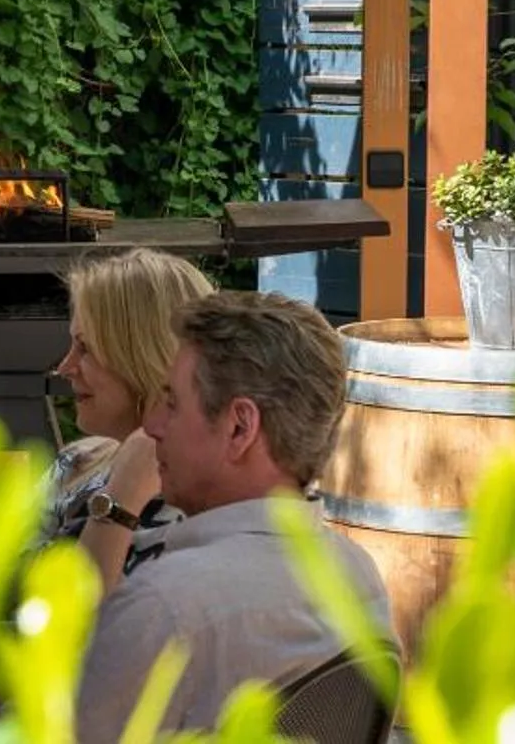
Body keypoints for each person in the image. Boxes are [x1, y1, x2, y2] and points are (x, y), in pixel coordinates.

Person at [74, 292, 393, 743]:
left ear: (240, 428)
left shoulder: (165, 607)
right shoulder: (359, 574)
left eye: (173, 402)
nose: (153, 427)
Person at [44, 248, 216, 591]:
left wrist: (121, 498)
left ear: (141, 355)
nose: (64, 368)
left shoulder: (190, 511)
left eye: (86, 348)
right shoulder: (81, 458)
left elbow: (100, 631)